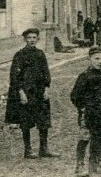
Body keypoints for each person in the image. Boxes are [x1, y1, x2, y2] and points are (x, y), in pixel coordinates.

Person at [5, 28, 60, 159]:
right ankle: (28, 150)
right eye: (29, 38)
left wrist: (46, 88)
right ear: (25, 39)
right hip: (26, 92)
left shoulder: (40, 54)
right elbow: (14, 76)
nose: (31, 40)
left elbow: (46, 72)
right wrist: (21, 92)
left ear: (38, 39)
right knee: (26, 121)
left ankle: (44, 148)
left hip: (40, 92)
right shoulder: (20, 55)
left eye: (34, 38)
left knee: (43, 120)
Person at [70, 47, 101, 176]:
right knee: (84, 139)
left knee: (100, 138)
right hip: (88, 114)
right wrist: (83, 108)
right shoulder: (84, 76)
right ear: (90, 59)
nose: (99, 61)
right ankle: (79, 166)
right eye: (96, 58)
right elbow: (75, 96)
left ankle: (100, 163)